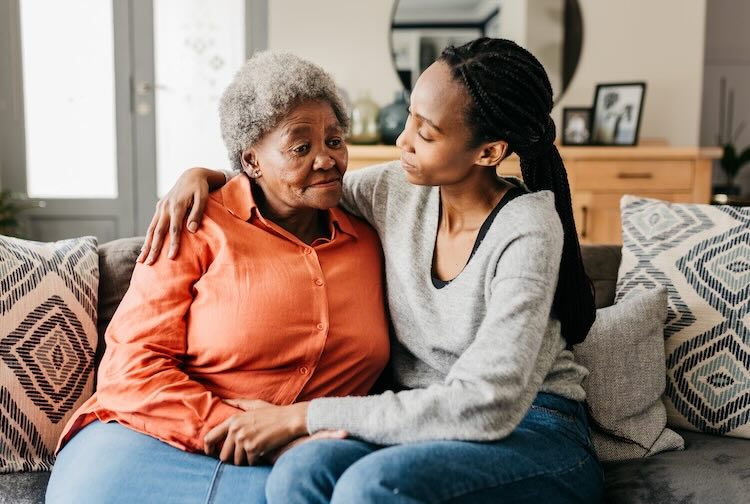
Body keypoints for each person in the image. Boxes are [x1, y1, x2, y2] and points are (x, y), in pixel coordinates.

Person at [140, 37, 604, 503]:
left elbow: (488, 404)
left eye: (426, 133)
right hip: (421, 428)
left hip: (534, 428)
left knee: (373, 488)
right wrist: (206, 176)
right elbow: (296, 182)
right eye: (409, 118)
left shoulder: (528, 227)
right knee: (300, 470)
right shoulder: (396, 189)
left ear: (488, 152)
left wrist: (303, 417)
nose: (403, 140)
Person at [45, 52, 390, 504]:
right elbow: (131, 368)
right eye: (300, 148)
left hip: (303, 458)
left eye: (335, 141)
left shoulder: (371, 234)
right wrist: (239, 425)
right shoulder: (194, 223)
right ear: (252, 160)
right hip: (152, 439)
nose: (326, 160)